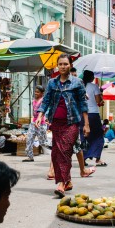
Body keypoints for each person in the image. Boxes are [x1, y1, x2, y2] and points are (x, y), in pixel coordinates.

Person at [35, 54, 90, 197]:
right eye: (60, 64)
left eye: (65, 64)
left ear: (70, 65)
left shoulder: (77, 82)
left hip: (71, 123)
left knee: (64, 151)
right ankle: (68, 181)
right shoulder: (52, 83)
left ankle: (61, 183)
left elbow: (83, 104)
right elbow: (46, 101)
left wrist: (86, 124)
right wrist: (40, 116)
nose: (63, 66)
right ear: (57, 66)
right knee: (55, 153)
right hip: (56, 123)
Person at [82, 70, 106, 166]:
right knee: (98, 136)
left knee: (84, 136)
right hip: (93, 114)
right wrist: (100, 95)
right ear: (92, 77)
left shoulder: (80, 86)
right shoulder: (94, 86)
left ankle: (83, 158)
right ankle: (97, 159)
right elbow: (98, 101)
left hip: (82, 114)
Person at [22, 85, 47, 162]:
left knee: (43, 142)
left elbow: (44, 111)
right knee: (29, 139)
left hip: (41, 124)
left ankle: (56, 153)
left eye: (38, 92)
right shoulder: (33, 101)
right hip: (33, 123)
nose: (36, 93)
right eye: (35, 92)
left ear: (42, 93)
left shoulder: (43, 101)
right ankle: (30, 156)